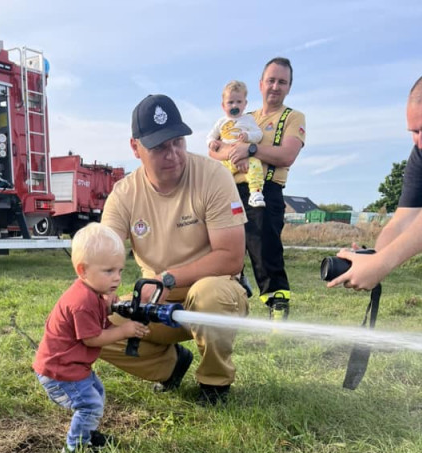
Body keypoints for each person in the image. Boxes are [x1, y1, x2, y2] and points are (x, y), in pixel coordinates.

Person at [100, 93, 249, 406]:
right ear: (135, 148)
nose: (173, 154)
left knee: (210, 295)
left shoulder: (214, 176)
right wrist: (100, 293)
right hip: (156, 303)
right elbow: (103, 251)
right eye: (159, 147)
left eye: (177, 142)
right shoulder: (123, 194)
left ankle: (214, 382)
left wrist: (167, 279)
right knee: (91, 322)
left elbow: (231, 257)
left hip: (212, 291)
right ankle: (169, 367)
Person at [33, 223, 149, 453]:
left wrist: (106, 307)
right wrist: (125, 330)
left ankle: (87, 436)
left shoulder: (93, 294)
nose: (116, 278)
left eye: (120, 271)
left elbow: (100, 323)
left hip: (74, 367)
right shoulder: (81, 302)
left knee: (97, 393)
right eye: (108, 271)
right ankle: (75, 450)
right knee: (89, 405)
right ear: (83, 270)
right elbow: (93, 338)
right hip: (59, 372)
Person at [211, 57, 306, 319]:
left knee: (264, 244)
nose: (275, 86)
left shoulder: (293, 117)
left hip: (266, 190)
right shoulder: (243, 116)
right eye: (271, 80)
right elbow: (214, 149)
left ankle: (277, 301)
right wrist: (233, 152)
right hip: (233, 189)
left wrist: (251, 149)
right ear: (261, 84)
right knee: (225, 243)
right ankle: (234, 291)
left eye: (282, 82)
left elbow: (287, 155)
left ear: (289, 87)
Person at [329, 75, 422, 291]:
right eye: (414, 132)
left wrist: (381, 264)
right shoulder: (420, 154)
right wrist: (371, 257)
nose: (419, 142)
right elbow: (402, 221)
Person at [207, 80, 266, 208]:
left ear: (245, 104)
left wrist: (248, 136)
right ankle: (218, 199)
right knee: (217, 175)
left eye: (239, 102)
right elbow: (211, 136)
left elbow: (259, 134)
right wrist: (211, 142)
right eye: (230, 102)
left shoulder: (248, 120)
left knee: (255, 165)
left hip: (245, 158)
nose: (234, 106)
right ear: (223, 106)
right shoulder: (221, 122)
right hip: (226, 160)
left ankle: (255, 193)